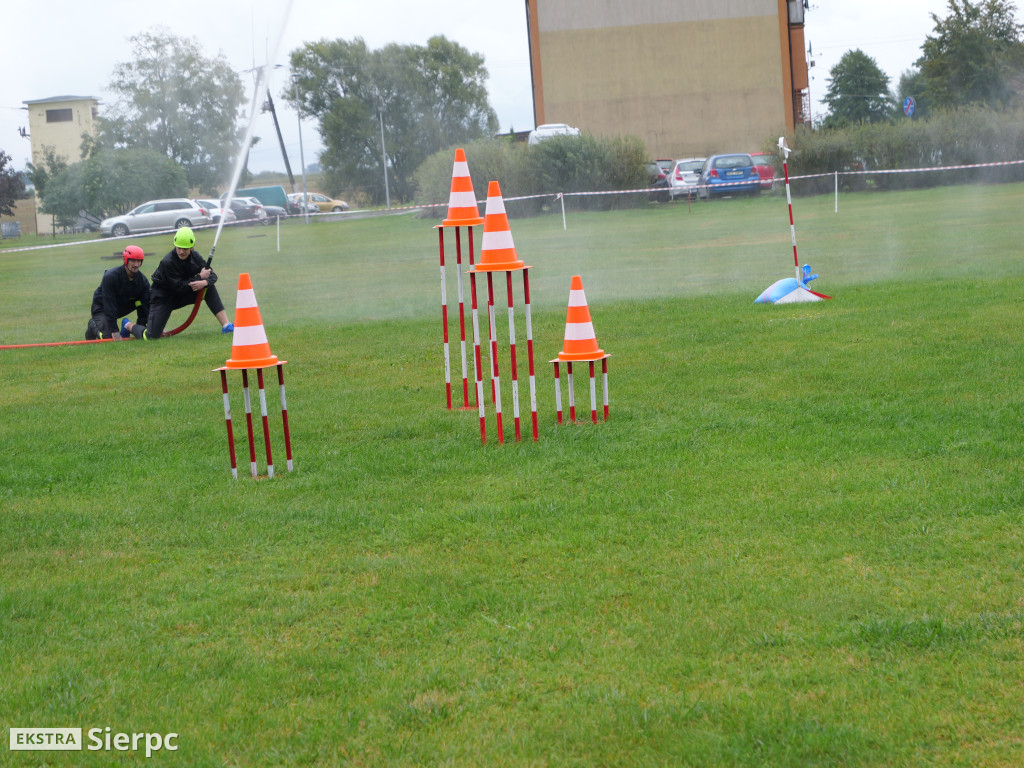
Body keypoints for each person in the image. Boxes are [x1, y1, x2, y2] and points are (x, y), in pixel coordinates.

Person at [125, 226, 233, 340]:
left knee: (208, 287)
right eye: (179, 248)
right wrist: (200, 277)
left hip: (181, 294)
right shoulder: (168, 262)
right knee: (151, 336)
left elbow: (212, 275)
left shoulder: (195, 257)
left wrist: (205, 282)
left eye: (185, 249)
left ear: (192, 247)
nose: (181, 251)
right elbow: (179, 286)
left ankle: (226, 326)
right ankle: (127, 325)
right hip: (162, 298)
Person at [85, 245, 151, 340]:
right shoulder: (110, 277)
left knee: (140, 301)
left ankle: (126, 325)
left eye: (139, 261)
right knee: (107, 337)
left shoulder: (143, 281)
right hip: (102, 308)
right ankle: (92, 325)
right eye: (133, 260)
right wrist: (114, 330)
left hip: (119, 308)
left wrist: (149, 325)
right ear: (125, 260)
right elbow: (109, 304)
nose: (136, 264)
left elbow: (146, 305)